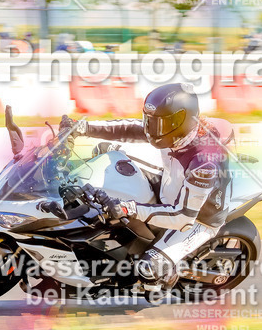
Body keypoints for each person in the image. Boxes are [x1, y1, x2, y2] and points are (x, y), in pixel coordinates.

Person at [59, 83, 230, 293]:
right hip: (171, 182)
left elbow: (182, 217)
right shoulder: (176, 133)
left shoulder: (204, 164)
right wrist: (83, 128)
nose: (150, 128)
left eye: (157, 123)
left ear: (180, 122)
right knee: (105, 150)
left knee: (147, 269)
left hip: (197, 218)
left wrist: (127, 208)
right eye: (150, 121)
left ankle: (168, 275)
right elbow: (129, 128)